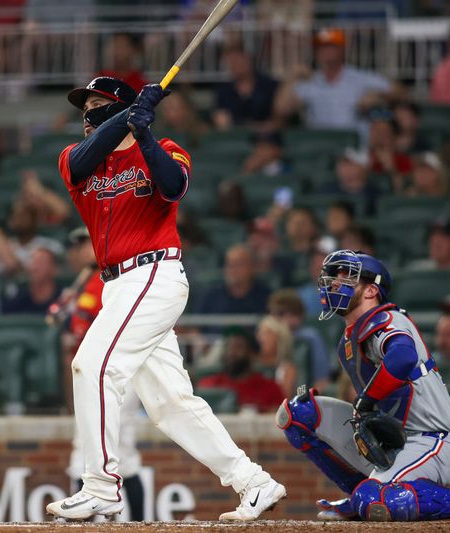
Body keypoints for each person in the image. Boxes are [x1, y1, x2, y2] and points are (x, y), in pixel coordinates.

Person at [46, 77, 286, 521]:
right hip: (118, 286)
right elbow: (84, 157)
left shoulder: (165, 146)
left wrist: (144, 131)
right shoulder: (76, 160)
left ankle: (100, 486)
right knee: (171, 404)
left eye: (97, 104)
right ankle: (253, 482)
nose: (87, 114)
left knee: (92, 366)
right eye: (86, 107)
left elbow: (174, 187)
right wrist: (126, 113)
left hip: (154, 274)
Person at [278, 249, 450, 522]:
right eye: (333, 278)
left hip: (430, 439)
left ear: (371, 291)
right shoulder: (348, 341)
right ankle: (360, 496)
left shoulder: (387, 319)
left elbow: (403, 357)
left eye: (346, 278)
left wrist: (365, 402)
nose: (334, 284)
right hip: (393, 441)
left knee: (376, 500)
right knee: (298, 414)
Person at [56, 228, 147, 521]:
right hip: (96, 373)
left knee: (116, 450)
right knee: (86, 450)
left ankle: (136, 524)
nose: (81, 249)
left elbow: (93, 329)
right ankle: (82, 520)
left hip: (118, 371)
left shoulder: (113, 278)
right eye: (79, 244)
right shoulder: (85, 282)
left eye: (86, 242)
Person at [274, 28, 392, 137]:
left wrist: (378, 97)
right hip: (322, 147)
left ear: (342, 49)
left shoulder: (360, 77)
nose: (325, 51)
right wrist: (290, 78)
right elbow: (281, 110)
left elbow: (399, 92)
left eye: (331, 46)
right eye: (321, 47)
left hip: (355, 146)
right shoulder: (311, 81)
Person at [198, 327, 285, 413]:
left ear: (251, 353)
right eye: (228, 346)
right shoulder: (209, 385)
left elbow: (279, 420)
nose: (231, 352)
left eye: (238, 346)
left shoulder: (270, 388)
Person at [267, 289, 332, 391]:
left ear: (297, 315)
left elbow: (322, 377)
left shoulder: (309, 337)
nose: (275, 318)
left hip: (303, 393)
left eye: (280, 313)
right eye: (273, 313)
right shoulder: (269, 335)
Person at [212, 45, 279, 131]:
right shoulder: (224, 90)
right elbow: (220, 117)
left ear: (248, 59)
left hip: (266, 136)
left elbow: (277, 118)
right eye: (231, 63)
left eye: (238, 61)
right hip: (235, 137)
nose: (235, 66)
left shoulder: (268, 85)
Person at [196, 244, 272, 317]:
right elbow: (195, 326)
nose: (233, 270)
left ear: (252, 266)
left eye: (239, 264)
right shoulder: (210, 296)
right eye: (229, 264)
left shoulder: (267, 298)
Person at [2, 248, 62, 314]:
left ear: (54, 269)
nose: (35, 267)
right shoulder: (18, 300)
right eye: (33, 262)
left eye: (41, 262)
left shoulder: (63, 299)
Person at [320, 148, 379, 216]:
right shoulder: (325, 191)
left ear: (364, 167)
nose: (345, 168)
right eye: (342, 163)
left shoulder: (375, 195)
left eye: (350, 164)